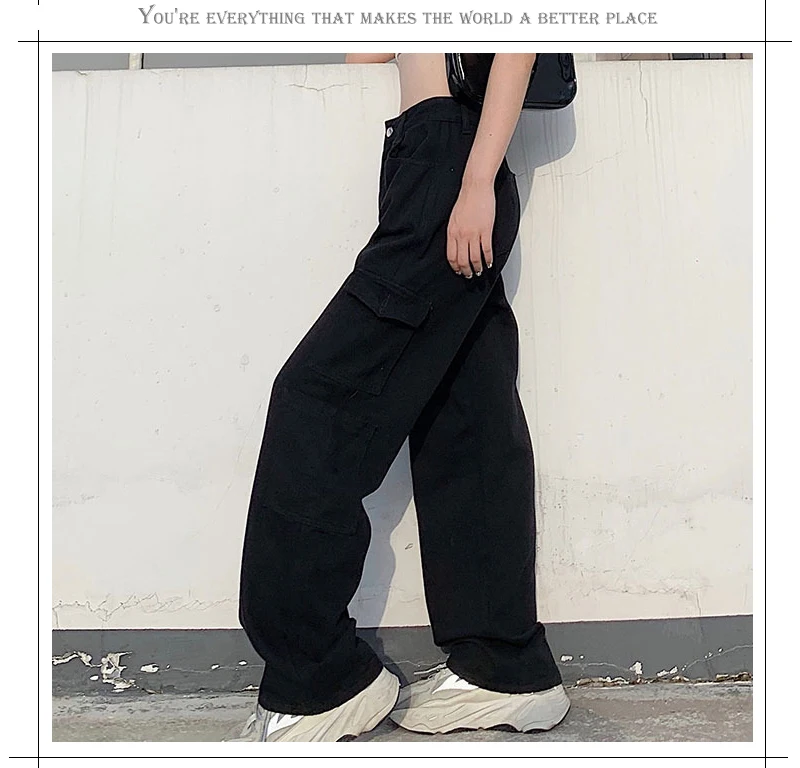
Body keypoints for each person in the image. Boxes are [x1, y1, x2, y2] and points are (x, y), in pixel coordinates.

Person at [229, 52, 570, 742]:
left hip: (452, 167)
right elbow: (371, 49)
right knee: (465, 418)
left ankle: (320, 680)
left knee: (314, 402)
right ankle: (506, 667)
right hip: (426, 160)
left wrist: (474, 180)